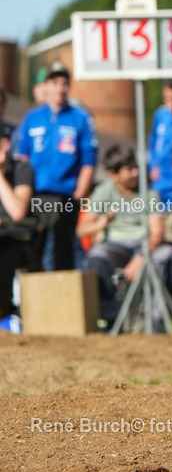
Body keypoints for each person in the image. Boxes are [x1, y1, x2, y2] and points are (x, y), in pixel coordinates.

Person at [77, 145, 172, 326]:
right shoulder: (104, 191)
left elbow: (157, 233)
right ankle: (112, 318)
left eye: (136, 167)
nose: (135, 173)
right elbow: (81, 230)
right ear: (113, 174)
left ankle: (159, 320)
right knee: (97, 256)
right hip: (115, 244)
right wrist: (101, 223)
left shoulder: (148, 192)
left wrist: (141, 256)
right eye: (129, 169)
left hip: (144, 244)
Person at [15, 62, 96, 271]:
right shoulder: (33, 118)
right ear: (46, 86)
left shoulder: (80, 118)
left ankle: (64, 300)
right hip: (36, 195)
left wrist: (79, 193)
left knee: (63, 251)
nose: (59, 88)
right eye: (54, 82)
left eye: (64, 83)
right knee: (36, 250)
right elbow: (22, 157)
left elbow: (89, 159)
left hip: (66, 195)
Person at [0, 122, 37, 318]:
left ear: (5, 145)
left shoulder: (22, 170)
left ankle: (4, 315)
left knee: (4, 258)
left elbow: (17, 212)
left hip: (18, 242)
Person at [148, 79, 172, 206]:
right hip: (159, 175)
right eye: (168, 99)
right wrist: (153, 165)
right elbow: (153, 141)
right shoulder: (161, 114)